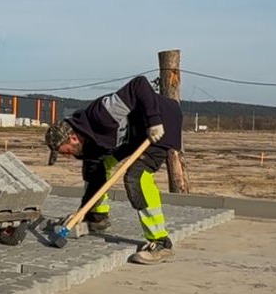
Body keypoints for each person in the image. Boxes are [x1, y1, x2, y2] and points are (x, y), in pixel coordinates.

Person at [44, 73, 182, 264]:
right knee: (96, 168)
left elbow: (139, 84)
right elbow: (95, 181)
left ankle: (161, 242)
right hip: (135, 136)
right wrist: (81, 212)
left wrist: (154, 120)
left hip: (162, 123)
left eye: (64, 151)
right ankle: (97, 218)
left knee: (137, 177)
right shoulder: (88, 147)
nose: (67, 156)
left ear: (73, 138)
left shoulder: (102, 113)